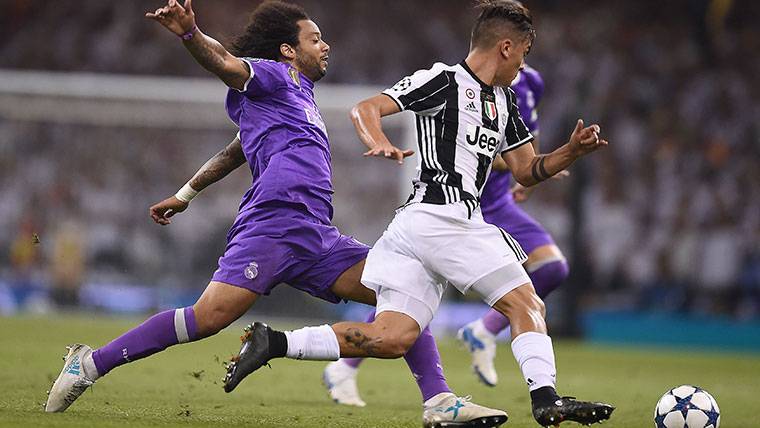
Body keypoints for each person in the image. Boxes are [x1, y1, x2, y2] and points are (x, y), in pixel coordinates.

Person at [45, 1, 506, 426]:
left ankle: (440, 400)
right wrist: (190, 34)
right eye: (315, 39)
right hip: (273, 224)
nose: (325, 46)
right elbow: (225, 63)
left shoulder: (296, 95)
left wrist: (185, 192)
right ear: (288, 51)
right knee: (207, 319)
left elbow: (235, 151)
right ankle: (87, 363)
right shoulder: (272, 75)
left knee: (402, 288)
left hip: (316, 235)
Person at [222, 1, 614, 426]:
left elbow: (526, 169)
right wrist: (378, 140)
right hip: (443, 217)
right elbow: (366, 107)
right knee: (526, 302)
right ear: (505, 47)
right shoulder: (443, 80)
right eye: (523, 52)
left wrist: (570, 152)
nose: (523, 64)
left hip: (415, 229)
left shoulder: (504, 103)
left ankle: (272, 343)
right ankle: (546, 400)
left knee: (393, 337)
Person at [323, 63, 569, 407]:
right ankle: (350, 365)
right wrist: (510, 162)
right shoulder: (454, 82)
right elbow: (477, 149)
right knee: (410, 295)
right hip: (448, 205)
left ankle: (482, 333)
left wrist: (536, 166)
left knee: (551, 269)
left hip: (491, 203)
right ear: (506, 44)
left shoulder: (525, 87)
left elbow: (525, 149)